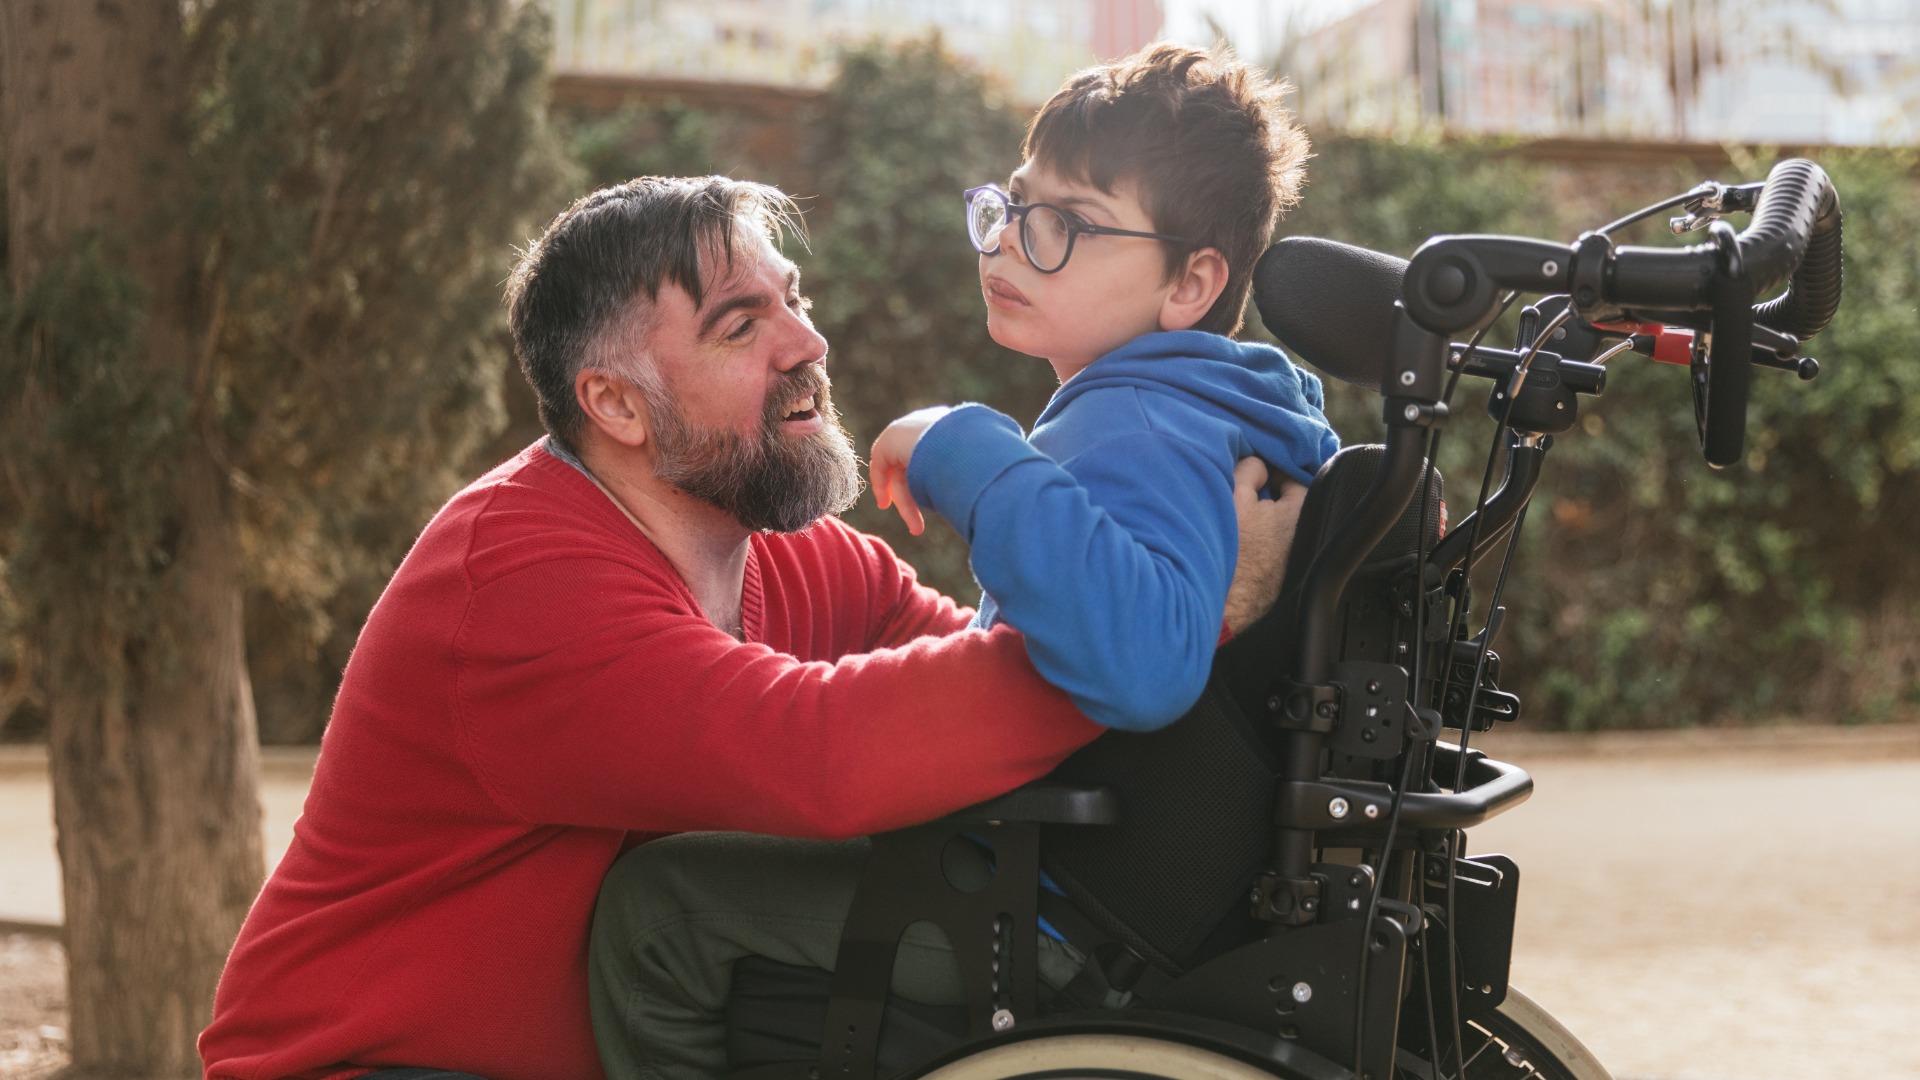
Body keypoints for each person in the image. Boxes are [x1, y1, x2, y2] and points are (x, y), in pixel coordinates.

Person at [198, 175, 1298, 1080]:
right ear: (616, 405)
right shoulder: (519, 582)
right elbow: (823, 756)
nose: (806, 341)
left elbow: (987, 673)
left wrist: (1142, 596)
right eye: (742, 324)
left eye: (794, 299)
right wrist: (1173, 621)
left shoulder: (789, 553)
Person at [589, 43, 1330, 1080]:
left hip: (1054, 904)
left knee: (657, 910)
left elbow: (1142, 664)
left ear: (1192, 281)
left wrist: (965, 445)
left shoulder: (1140, 423)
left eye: (1067, 225)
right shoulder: (1223, 414)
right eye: (1016, 205)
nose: (1013, 242)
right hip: (1119, 881)